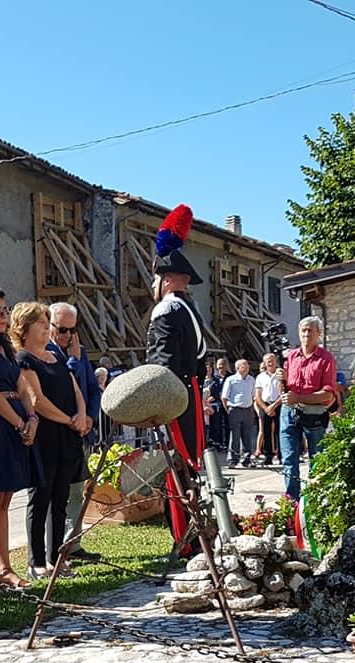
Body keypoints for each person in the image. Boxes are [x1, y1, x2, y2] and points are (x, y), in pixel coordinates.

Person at [145, 204, 208, 549]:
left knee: (178, 467)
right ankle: (193, 535)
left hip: (174, 400)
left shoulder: (166, 310)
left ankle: (185, 539)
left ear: (167, 280)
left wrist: (154, 404)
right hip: (190, 395)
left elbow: (162, 365)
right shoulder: (190, 309)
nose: (154, 285)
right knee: (189, 467)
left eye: (157, 279)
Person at [13, 302, 87, 580]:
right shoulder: (24, 359)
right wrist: (69, 420)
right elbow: (37, 401)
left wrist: (81, 415)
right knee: (40, 499)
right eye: (40, 323)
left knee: (60, 500)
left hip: (66, 437)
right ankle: (36, 561)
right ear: (24, 328)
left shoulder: (55, 355)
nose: (46, 327)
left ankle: (58, 558)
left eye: (47, 322)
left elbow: (75, 389)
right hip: (44, 439)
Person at [0, 287, 41, 590]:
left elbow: (22, 386)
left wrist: (32, 418)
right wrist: (19, 423)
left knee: (5, 499)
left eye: (5, 309)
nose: (3, 315)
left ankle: (5, 566)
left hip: (17, 422)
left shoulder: (6, 349)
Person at [47, 302, 102, 563]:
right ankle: (56, 547)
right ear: (50, 326)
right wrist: (74, 360)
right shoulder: (46, 352)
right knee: (58, 496)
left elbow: (91, 388)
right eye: (62, 329)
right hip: (60, 433)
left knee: (77, 492)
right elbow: (65, 385)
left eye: (72, 329)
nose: (68, 335)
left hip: (81, 433)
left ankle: (73, 542)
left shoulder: (80, 350)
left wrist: (89, 416)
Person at [277, 316, 337, 500]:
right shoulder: (291, 356)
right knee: (289, 460)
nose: (306, 334)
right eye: (303, 330)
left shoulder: (326, 358)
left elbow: (328, 395)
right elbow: (284, 392)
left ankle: (314, 500)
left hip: (314, 414)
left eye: (310, 330)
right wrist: (281, 380)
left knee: (317, 460)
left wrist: (299, 398)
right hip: (289, 413)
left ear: (319, 333)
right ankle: (292, 502)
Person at [221, 359, 257, 468]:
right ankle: (233, 459)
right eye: (244, 366)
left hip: (248, 409)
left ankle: (247, 459)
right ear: (237, 368)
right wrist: (228, 410)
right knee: (234, 435)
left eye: (247, 365)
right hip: (235, 409)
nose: (247, 368)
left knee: (247, 435)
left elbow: (253, 395)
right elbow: (224, 397)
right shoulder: (231, 380)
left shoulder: (251, 379)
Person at [254, 353, 282, 466]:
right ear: (264, 363)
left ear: (276, 361)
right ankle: (268, 456)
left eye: (272, 360)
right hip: (265, 405)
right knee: (265, 431)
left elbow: (284, 392)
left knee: (280, 431)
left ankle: (281, 455)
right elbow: (257, 395)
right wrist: (266, 408)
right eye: (268, 361)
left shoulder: (280, 374)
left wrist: (274, 406)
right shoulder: (260, 377)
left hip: (278, 404)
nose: (270, 363)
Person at [204, 357, 229, 450]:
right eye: (206, 370)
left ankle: (218, 444)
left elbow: (217, 393)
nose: (208, 371)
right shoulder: (201, 380)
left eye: (209, 369)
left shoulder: (216, 380)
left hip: (214, 406)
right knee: (206, 427)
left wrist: (207, 400)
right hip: (203, 407)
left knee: (216, 426)